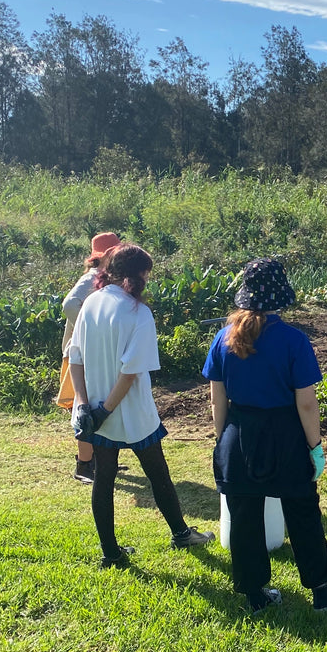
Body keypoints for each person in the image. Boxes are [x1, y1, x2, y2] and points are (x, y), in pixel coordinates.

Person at [203, 258, 327, 613]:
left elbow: (217, 396)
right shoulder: (293, 340)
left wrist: (223, 438)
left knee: (245, 515)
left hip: (239, 432)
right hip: (284, 434)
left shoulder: (224, 337)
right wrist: (314, 446)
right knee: (301, 510)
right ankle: (322, 591)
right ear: (280, 296)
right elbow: (306, 405)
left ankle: (255, 596)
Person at [67, 242, 214, 569]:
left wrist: (84, 404)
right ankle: (181, 534)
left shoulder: (91, 303)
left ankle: (111, 553)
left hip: (96, 415)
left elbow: (73, 357)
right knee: (158, 474)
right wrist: (107, 409)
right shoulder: (138, 313)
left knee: (103, 478)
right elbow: (131, 372)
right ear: (138, 275)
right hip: (131, 414)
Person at [59, 231, 120, 483]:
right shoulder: (92, 278)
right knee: (82, 408)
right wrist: (88, 329)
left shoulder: (109, 279)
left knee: (97, 405)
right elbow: (69, 304)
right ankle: (84, 465)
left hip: (94, 356)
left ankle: (97, 460)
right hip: (80, 356)